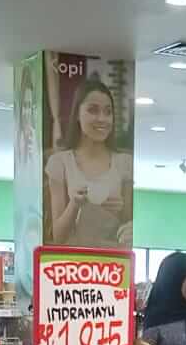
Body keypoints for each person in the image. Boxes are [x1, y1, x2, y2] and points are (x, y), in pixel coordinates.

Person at [47, 77, 133, 247]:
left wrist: (121, 210)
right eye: (93, 110)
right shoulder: (60, 163)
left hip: (111, 259)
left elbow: (129, 229)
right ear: (77, 115)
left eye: (108, 112)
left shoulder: (125, 163)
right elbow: (58, 237)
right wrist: (74, 205)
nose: (102, 119)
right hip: (72, 260)